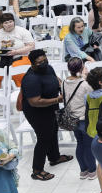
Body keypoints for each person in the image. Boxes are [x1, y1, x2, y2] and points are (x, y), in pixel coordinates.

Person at [21, 49, 73, 181]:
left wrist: (63, 86)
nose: (44, 63)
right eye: (40, 62)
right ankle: (37, 170)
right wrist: (58, 99)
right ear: (32, 64)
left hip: (51, 107)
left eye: (45, 60)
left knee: (53, 130)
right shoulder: (31, 79)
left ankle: (54, 157)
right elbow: (35, 102)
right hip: (37, 112)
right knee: (44, 137)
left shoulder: (48, 68)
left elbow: (55, 79)